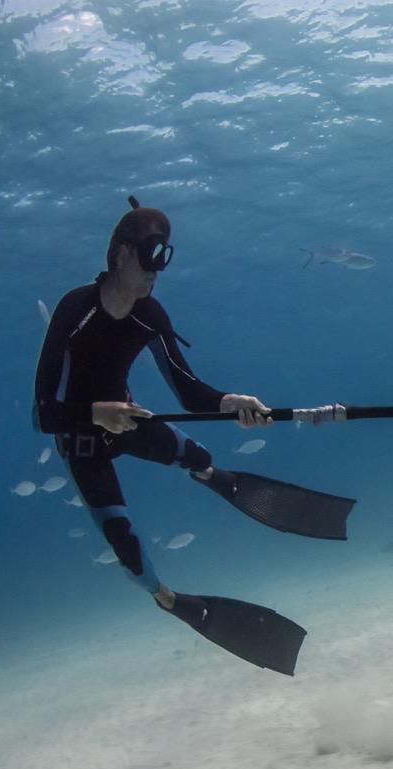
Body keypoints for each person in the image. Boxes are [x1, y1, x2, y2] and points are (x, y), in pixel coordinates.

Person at [33, 198, 272, 611]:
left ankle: (211, 475)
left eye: (164, 258)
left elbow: (190, 393)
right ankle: (166, 598)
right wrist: (95, 414)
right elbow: (42, 414)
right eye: (150, 256)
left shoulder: (151, 315)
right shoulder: (75, 309)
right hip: (81, 440)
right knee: (125, 542)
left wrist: (231, 402)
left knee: (199, 455)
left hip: (128, 419)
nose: (156, 270)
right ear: (122, 254)